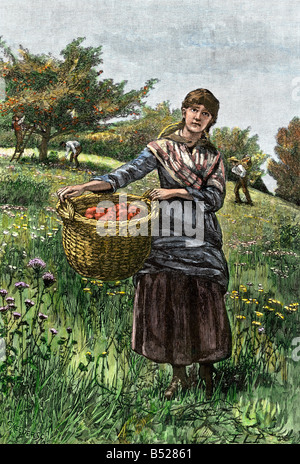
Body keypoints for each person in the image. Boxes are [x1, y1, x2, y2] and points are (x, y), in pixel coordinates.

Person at [57, 88, 232, 400]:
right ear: (184, 111)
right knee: (163, 289)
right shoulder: (161, 148)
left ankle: (206, 372)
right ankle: (179, 376)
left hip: (200, 233)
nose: (197, 117)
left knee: (202, 292)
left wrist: (176, 192)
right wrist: (86, 185)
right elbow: (126, 174)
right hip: (165, 231)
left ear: (211, 120)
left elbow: (215, 199)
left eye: (205, 114)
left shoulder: (213, 158)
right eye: (194, 110)